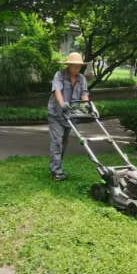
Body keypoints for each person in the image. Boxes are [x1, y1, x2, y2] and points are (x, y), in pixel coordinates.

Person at [47, 52, 91, 181]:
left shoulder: (81, 78)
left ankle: (55, 167)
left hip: (71, 116)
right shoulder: (59, 75)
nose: (77, 69)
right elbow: (57, 91)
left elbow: (84, 93)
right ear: (69, 65)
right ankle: (56, 171)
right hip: (56, 114)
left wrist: (87, 105)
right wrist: (62, 104)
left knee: (64, 143)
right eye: (74, 66)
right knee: (57, 142)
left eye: (79, 66)